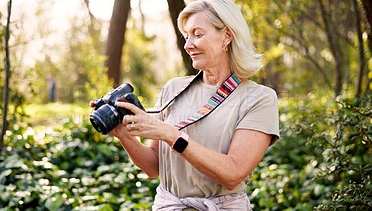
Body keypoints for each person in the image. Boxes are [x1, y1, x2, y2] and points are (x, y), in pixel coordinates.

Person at [91, 0, 279, 210]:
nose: (188, 45)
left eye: (197, 34)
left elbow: (232, 174)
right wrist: (123, 134)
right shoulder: (174, 89)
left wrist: (170, 135)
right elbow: (154, 167)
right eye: (186, 36)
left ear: (227, 36)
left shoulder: (258, 98)